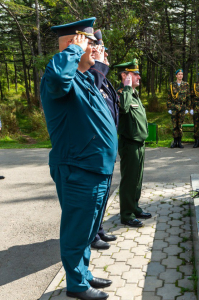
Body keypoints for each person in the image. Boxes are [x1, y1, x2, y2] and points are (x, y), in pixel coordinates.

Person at [41, 17, 117, 300]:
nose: (95, 49)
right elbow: (60, 77)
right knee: (76, 230)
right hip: (78, 169)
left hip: (95, 168)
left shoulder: (84, 78)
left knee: (87, 230)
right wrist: (72, 51)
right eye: (90, 44)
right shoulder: (57, 76)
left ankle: (83, 274)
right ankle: (77, 285)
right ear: (75, 44)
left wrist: (95, 62)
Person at [87, 29, 118, 251]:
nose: (103, 53)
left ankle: (98, 230)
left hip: (107, 150)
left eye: (104, 49)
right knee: (94, 199)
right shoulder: (91, 78)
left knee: (104, 195)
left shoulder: (103, 79)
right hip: (95, 150)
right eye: (100, 48)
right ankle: (91, 234)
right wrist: (98, 66)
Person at [113, 59, 151, 228]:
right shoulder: (122, 93)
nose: (138, 77)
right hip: (129, 143)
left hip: (139, 143)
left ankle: (134, 207)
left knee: (137, 179)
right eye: (134, 74)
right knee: (129, 180)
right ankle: (126, 214)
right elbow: (124, 108)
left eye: (138, 74)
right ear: (124, 75)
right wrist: (127, 87)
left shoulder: (133, 93)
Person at [167, 69, 190, 148]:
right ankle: (175, 141)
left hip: (182, 107)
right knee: (174, 125)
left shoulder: (186, 84)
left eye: (182, 74)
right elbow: (169, 97)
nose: (180, 75)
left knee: (180, 125)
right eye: (179, 74)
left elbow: (188, 97)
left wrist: (187, 108)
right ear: (176, 75)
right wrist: (169, 107)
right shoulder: (172, 85)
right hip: (174, 107)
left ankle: (179, 142)